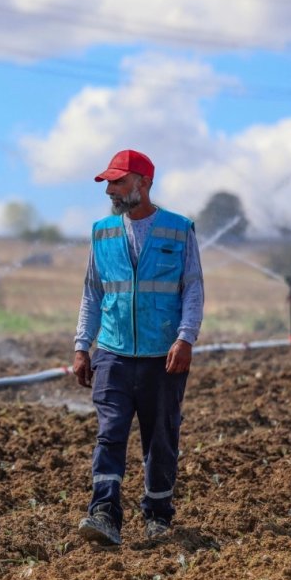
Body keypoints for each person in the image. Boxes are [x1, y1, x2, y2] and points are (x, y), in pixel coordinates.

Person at [73, 149, 204, 546]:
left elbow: (193, 288)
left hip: (161, 355)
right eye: (109, 183)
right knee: (109, 434)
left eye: (118, 181)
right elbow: (92, 294)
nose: (111, 190)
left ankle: (157, 516)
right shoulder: (103, 232)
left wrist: (185, 338)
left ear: (143, 183)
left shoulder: (178, 230)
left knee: (160, 438)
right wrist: (82, 346)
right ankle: (105, 513)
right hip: (112, 352)